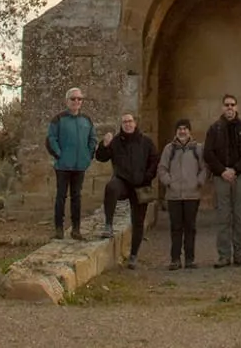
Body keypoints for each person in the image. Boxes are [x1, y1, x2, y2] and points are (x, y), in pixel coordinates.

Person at [95, 112, 158, 268]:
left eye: (130, 121)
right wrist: (104, 145)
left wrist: (147, 177)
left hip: (141, 184)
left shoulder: (146, 142)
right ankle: (108, 225)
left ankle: (133, 256)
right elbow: (101, 157)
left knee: (138, 221)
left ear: (135, 123)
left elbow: (154, 161)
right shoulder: (116, 141)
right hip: (122, 182)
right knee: (111, 187)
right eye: (124, 122)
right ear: (121, 124)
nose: (128, 124)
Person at [204, 93, 241, 267]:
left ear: (237, 107)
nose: (230, 108)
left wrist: (236, 169)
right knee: (223, 217)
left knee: (239, 217)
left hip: (240, 177)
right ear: (222, 107)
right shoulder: (214, 129)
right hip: (221, 177)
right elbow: (208, 153)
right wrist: (222, 171)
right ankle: (224, 256)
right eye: (227, 105)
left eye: (232, 104)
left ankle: (240, 254)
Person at [157, 118, 207, 270]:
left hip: (192, 195)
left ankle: (190, 259)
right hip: (174, 195)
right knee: (176, 227)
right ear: (176, 131)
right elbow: (162, 168)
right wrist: (169, 182)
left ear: (189, 131)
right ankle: (175, 259)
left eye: (185, 129)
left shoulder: (198, 149)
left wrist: (199, 182)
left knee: (190, 228)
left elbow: (205, 168)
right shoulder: (169, 149)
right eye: (180, 129)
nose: (182, 131)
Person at [46, 87, 94, 240]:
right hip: (63, 165)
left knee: (76, 197)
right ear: (67, 101)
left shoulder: (86, 120)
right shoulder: (58, 119)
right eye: (73, 98)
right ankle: (59, 229)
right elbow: (51, 139)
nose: (76, 101)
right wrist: (59, 155)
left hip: (80, 166)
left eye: (79, 99)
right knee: (61, 196)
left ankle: (76, 230)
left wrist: (87, 156)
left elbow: (92, 139)